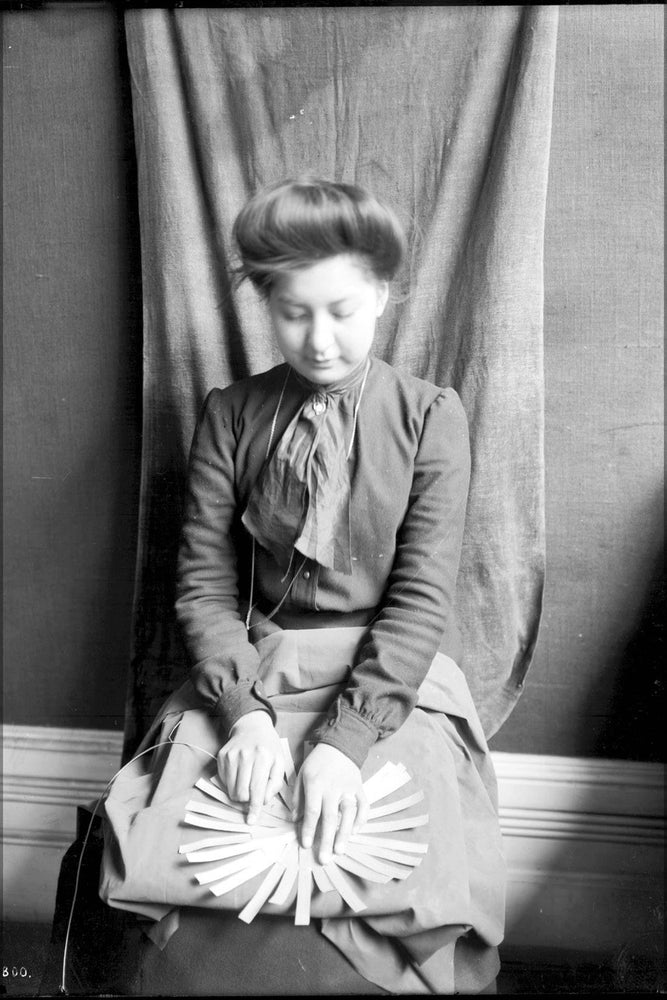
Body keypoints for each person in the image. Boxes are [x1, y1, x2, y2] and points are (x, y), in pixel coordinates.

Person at [46, 179, 505, 996]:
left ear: (383, 297)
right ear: (264, 301)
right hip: (253, 670)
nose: (320, 339)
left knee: (389, 841)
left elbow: (419, 599)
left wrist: (346, 741)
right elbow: (203, 584)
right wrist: (243, 714)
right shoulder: (231, 412)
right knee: (188, 835)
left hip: (385, 675)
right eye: (294, 312)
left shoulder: (431, 416)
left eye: (343, 310)